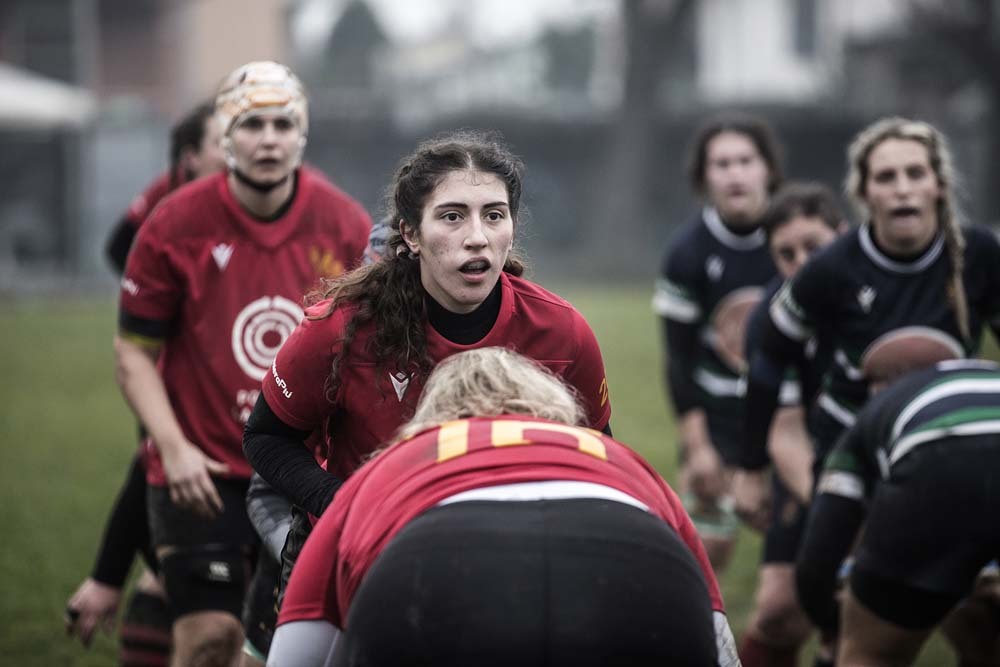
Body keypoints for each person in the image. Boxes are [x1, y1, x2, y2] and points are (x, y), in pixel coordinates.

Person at [115, 60, 371, 667]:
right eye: (252, 125)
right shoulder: (175, 223)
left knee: (283, 648)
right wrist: (173, 448)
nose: (269, 140)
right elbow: (134, 353)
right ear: (226, 136)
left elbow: (368, 350)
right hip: (200, 471)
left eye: (283, 124)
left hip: (298, 470)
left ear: (302, 135)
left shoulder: (343, 224)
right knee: (209, 640)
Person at [268, 347, 739, 667]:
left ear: (434, 422)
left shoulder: (395, 464)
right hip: (642, 564)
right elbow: (719, 636)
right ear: (555, 412)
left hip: (427, 569)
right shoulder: (621, 461)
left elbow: (299, 644)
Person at [734, 116, 1000, 517]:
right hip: (853, 443)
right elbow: (768, 357)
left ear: (939, 185)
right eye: (886, 177)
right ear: (864, 192)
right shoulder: (830, 267)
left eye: (915, 173)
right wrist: (751, 468)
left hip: (951, 440)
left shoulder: (979, 254)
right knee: (823, 558)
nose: (902, 189)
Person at [65, 100, 226, 665]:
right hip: (175, 364)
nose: (246, 148)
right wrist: (155, 300)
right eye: (225, 139)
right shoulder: (170, 199)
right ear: (190, 157)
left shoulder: (263, 206)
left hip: (234, 367)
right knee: (162, 464)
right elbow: (118, 247)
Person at [796, 359, 1000, 667]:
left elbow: (821, 546)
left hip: (936, 461)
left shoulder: (873, 413)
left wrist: (830, 622)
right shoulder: (985, 374)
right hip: (942, 457)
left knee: (871, 653)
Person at [652, 113, 783, 569]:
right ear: (704, 177)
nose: (734, 174)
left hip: (792, 415)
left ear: (768, 168)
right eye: (721, 164)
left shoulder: (800, 238)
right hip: (719, 417)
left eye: (745, 161)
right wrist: (698, 448)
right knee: (699, 559)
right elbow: (678, 358)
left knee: (807, 567)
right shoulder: (687, 252)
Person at [738, 183, 847, 667]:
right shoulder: (770, 318)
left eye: (814, 248)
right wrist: (838, 510)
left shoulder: (881, 297)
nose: (802, 263)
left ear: (843, 236)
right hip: (810, 466)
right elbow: (784, 431)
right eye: (786, 254)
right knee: (779, 611)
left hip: (895, 465)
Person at [105, 101, 226, 274]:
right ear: (191, 157)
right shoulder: (168, 189)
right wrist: (153, 284)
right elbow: (118, 247)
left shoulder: (241, 192)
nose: (228, 152)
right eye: (218, 143)